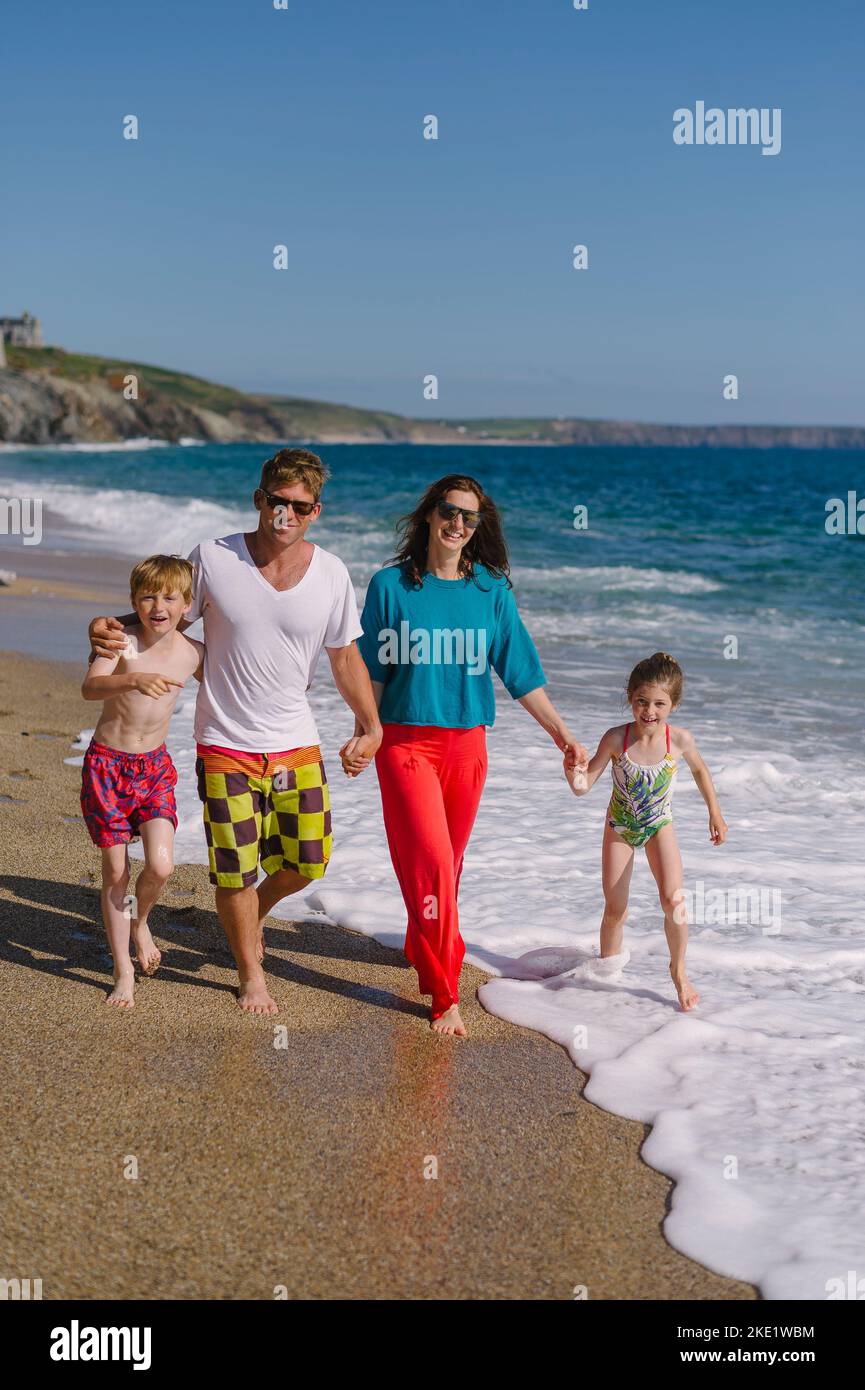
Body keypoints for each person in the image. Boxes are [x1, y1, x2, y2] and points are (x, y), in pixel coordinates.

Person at [88, 448, 382, 1016]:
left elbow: (345, 655)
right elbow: (166, 614)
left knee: (310, 861)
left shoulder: (332, 573)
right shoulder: (214, 559)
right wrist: (106, 625)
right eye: (277, 501)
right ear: (259, 499)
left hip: (297, 743)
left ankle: (255, 912)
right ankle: (251, 974)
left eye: (299, 506)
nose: (286, 514)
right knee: (235, 869)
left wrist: (370, 726)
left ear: (315, 510)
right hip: (225, 743)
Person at [343, 474, 589, 1038]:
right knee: (430, 861)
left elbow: (519, 670)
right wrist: (367, 732)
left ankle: (419, 939)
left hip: (467, 747)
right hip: (405, 745)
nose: (458, 524)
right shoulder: (389, 587)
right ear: (429, 516)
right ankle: (443, 990)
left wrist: (561, 733)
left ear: (478, 527)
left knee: (446, 869)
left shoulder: (492, 593)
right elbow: (372, 673)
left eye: (469, 517)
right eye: (449, 512)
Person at [564, 651, 728, 1011]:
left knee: (675, 902)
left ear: (673, 704)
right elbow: (582, 786)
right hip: (620, 828)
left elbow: (701, 771)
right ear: (630, 700)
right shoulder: (616, 739)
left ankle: (679, 971)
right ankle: (606, 977)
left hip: (659, 827)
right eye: (641, 701)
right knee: (616, 910)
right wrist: (572, 769)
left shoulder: (680, 740)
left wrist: (714, 813)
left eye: (659, 703)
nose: (649, 711)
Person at [81, 554, 203, 1008]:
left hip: (153, 769)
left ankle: (141, 921)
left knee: (162, 865)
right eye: (148, 596)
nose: (159, 605)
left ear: (186, 604)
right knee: (115, 870)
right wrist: (133, 680)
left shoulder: (193, 652)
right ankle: (122, 970)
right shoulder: (119, 641)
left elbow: (235, 677)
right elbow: (90, 688)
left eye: (170, 597)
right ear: (134, 601)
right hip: (107, 767)